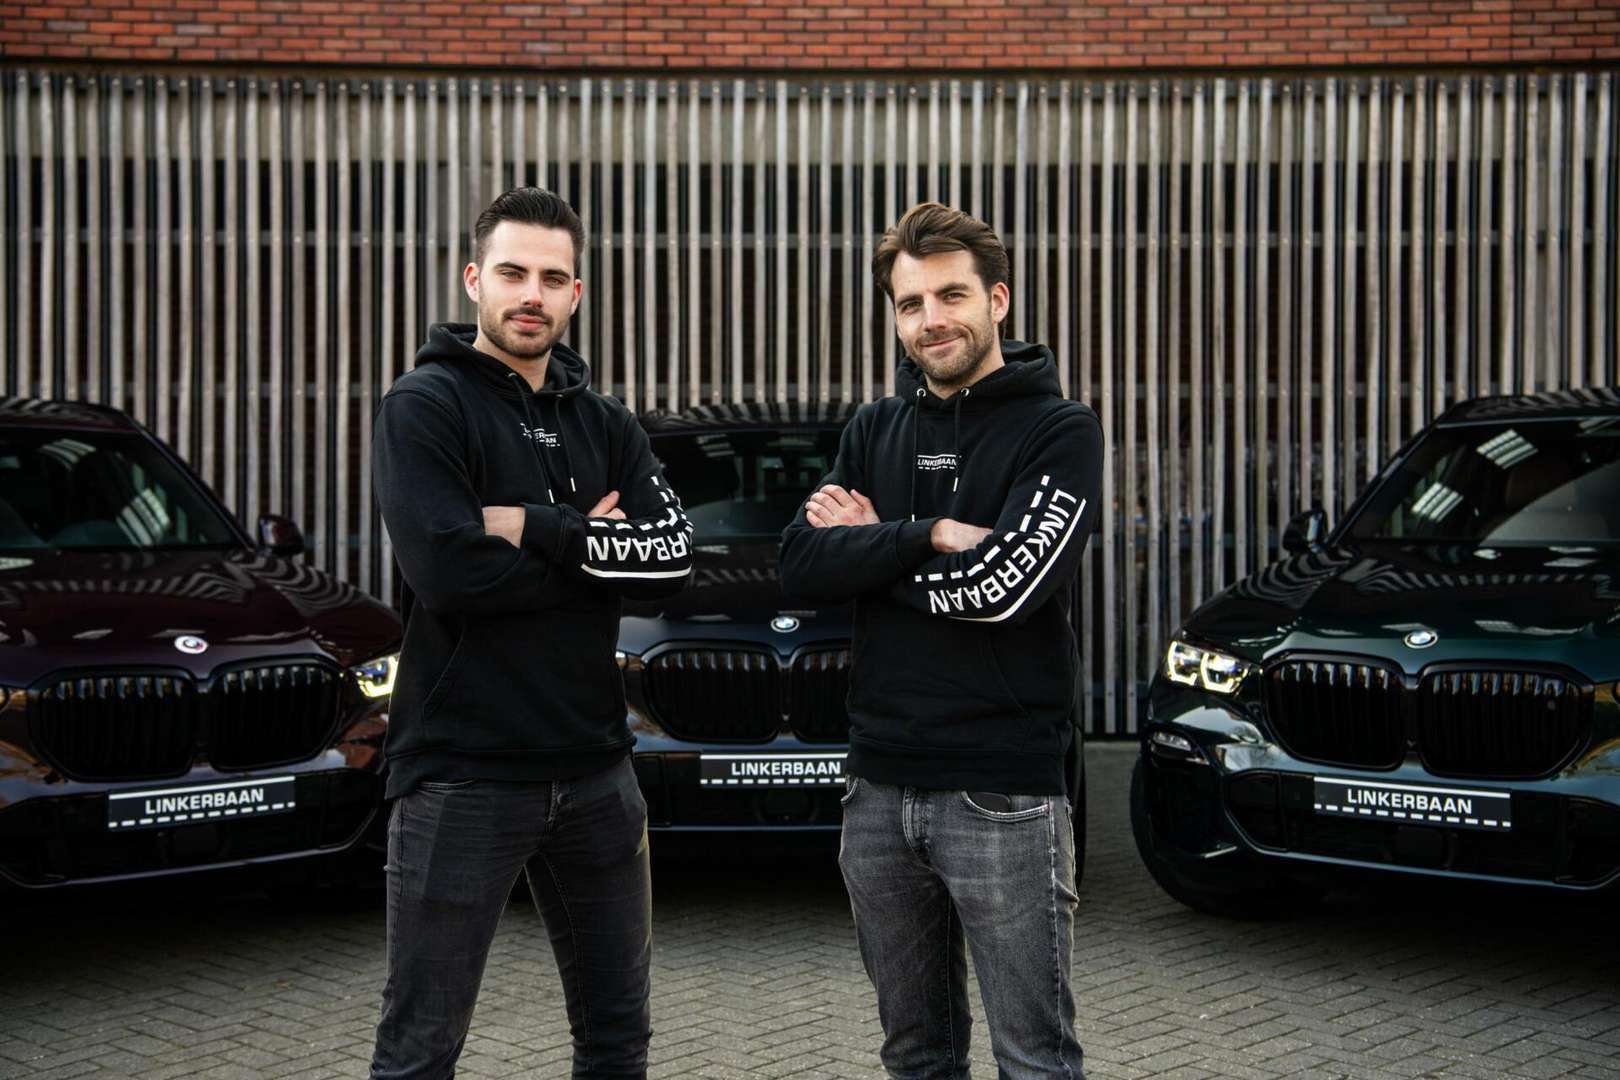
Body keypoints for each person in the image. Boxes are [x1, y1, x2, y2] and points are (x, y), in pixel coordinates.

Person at [369, 186, 692, 1080]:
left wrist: (534, 525)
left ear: (576, 293)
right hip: (461, 775)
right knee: (420, 1050)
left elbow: (670, 561)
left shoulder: (606, 421)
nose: (531, 295)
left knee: (617, 1042)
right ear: (474, 279)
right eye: (512, 273)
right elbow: (448, 574)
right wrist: (596, 548)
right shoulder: (424, 407)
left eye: (552, 279)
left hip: (596, 772)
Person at [780, 201, 1102, 1080]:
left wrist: (873, 549)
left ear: (998, 299)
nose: (932, 320)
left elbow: (1004, 589)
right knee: (915, 1056)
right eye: (911, 302)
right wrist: (926, 535)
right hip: (878, 790)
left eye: (951, 295)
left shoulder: (1059, 430)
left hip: (1003, 793)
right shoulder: (873, 429)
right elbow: (801, 563)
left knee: (1035, 1058)